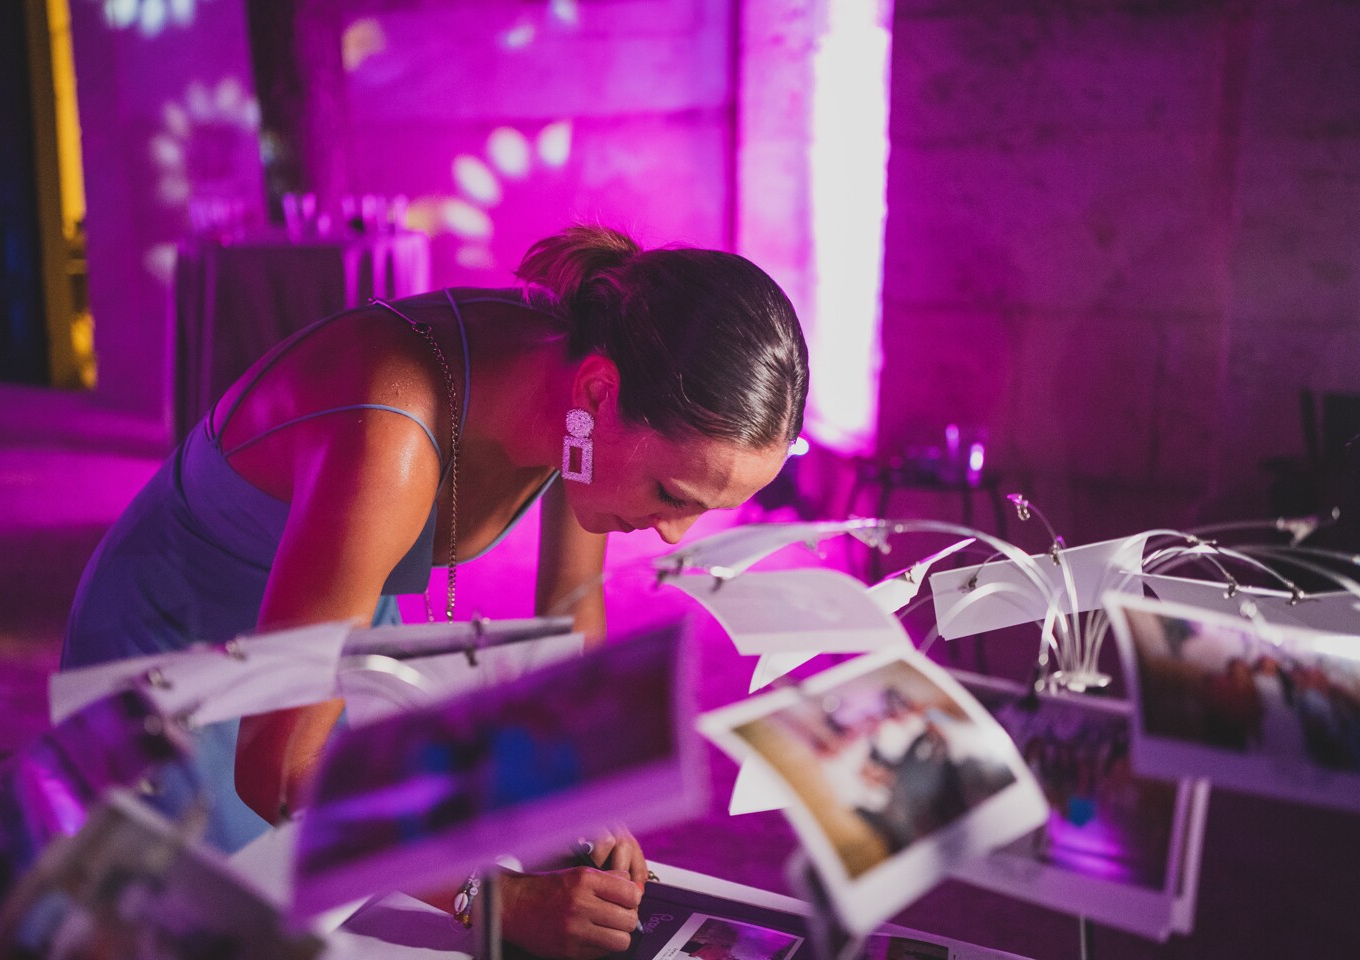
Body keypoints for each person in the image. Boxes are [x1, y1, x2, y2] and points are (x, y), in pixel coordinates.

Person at [60, 224, 810, 958]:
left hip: (334, 623)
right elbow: (280, 770)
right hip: (180, 656)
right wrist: (493, 901)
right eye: (671, 492)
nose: (676, 535)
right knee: (215, 917)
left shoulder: (582, 388)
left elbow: (570, 601)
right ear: (599, 390)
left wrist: (574, 804)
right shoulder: (388, 434)